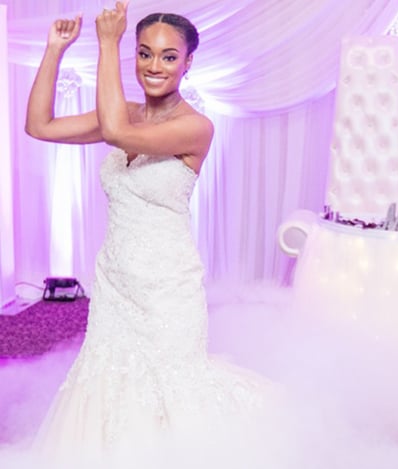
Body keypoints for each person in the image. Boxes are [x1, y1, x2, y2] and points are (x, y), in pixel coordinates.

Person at [25, 3, 288, 468]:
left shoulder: (195, 127)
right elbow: (39, 126)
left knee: (171, 382)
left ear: (189, 63)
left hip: (167, 287)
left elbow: (115, 131)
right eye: (144, 53)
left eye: (169, 57)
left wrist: (107, 42)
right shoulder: (123, 112)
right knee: (108, 377)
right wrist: (54, 51)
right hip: (115, 280)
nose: (154, 66)